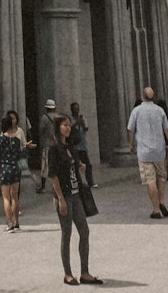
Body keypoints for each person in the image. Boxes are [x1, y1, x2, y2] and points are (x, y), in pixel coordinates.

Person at [49, 114, 102, 287]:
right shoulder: (54, 149)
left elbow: (72, 166)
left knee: (84, 230)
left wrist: (80, 166)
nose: (68, 127)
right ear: (58, 127)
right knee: (67, 234)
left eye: (69, 125)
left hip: (76, 193)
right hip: (64, 196)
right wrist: (61, 199)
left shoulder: (70, 147)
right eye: (65, 125)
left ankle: (85, 272)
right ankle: (67, 273)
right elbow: (53, 176)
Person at [126, 86, 168, 219]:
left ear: (142, 96)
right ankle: (161, 201)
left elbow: (131, 129)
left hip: (144, 151)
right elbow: (167, 130)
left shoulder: (136, 111)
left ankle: (156, 209)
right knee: (161, 177)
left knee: (150, 180)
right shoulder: (160, 110)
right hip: (159, 150)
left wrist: (131, 145)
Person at [69, 103, 96, 188]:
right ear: (72, 110)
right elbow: (70, 130)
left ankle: (90, 182)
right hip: (75, 146)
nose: (77, 110)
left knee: (88, 164)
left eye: (78, 108)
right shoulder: (70, 119)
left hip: (83, 145)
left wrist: (82, 122)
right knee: (75, 165)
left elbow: (86, 128)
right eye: (75, 109)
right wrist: (77, 122)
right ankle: (76, 183)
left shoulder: (83, 118)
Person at [37, 99, 58, 193]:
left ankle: (43, 187)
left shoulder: (45, 118)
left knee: (45, 166)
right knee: (55, 165)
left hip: (47, 145)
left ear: (46, 108)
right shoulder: (57, 117)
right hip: (56, 145)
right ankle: (56, 186)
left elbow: (40, 130)